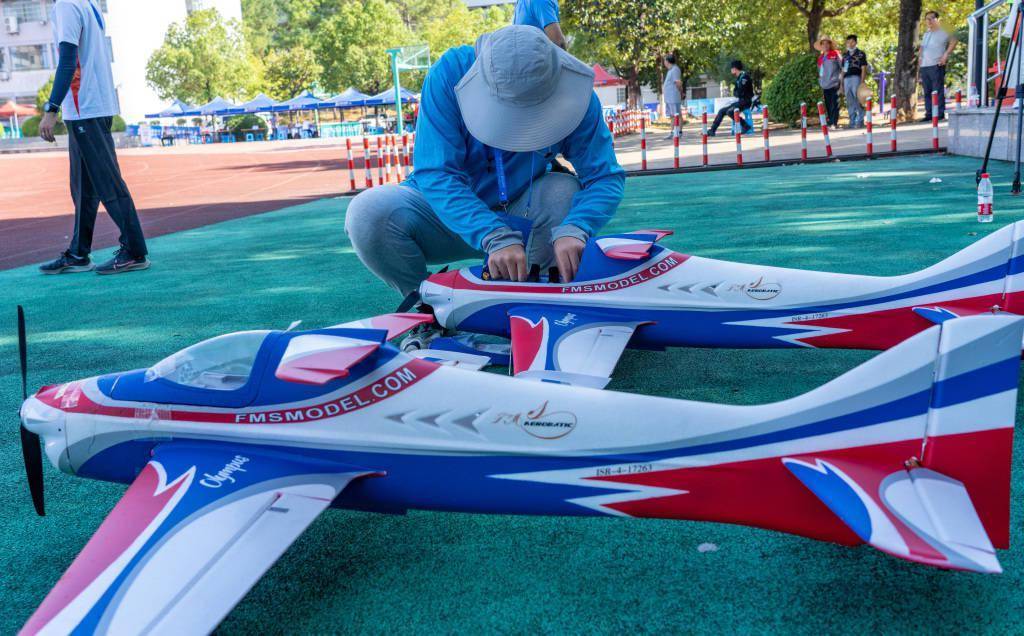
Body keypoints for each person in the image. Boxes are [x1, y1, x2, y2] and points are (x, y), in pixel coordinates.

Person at [344, 25, 624, 298]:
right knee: (368, 213)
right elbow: (437, 175)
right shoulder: (449, 74)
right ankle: (426, 309)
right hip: (443, 216)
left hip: (525, 212)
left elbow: (605, 176)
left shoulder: (578, 92)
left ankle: (537, 299)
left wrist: (577, 227)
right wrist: (492, 233)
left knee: (563, 192)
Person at [38, 0, 149, 275]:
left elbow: (68, 61)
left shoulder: (67, 5)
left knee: (108, 184)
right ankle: (78, 253)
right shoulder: (88, 3)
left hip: (85, 107)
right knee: (83, 189)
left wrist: (51, 108)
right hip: (89, 108)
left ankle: (135, 251)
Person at [919, 10, 957, 121]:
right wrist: (919, 60)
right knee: (927, 92)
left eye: (932, 18)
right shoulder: (926, 33)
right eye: (927, 19)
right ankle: (929, 114)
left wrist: (946, 54)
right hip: (925, 66)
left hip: (936, 64)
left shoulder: (943, 31)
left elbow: (954, 40)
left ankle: (939, 113)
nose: (929, 21)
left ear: (937, 19)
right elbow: (921, 48)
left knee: (937, 90)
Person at [708, 60, 753, 136]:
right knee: (722, 111)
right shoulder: (739, 78)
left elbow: (741, 92)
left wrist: (738, 92)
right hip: (741, 101)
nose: (731, 70)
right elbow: (736, 92)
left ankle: (745, 126)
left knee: (730, 111)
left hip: (746, 101)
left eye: (731, 68)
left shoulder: (744, 77)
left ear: (735, 69)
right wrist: (738, 92)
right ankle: (712, 130)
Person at [841, 34, 868, 128]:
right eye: (848, 42)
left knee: (858, 99)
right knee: (849, 101)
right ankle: (852, 122)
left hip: (856, 78)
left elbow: (864, 68)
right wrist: (841, 84)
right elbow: (843, 70)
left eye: (852, 41)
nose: (850, 43)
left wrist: (862, 82)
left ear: (855, 42)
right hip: (846, 79)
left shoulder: (861, 53)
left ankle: (860, 121)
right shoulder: (845, 55)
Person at [816, 36, 842, 128]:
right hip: (825, 84)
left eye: (827, 43)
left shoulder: (835, 53)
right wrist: (821, 81)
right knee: (828, 104)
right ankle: (830, 121)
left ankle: (834, 122)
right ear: (821, 45)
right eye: (823, 43)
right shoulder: (821, 58)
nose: (825, 45)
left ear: (830, 45)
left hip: (835, 83)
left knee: (835, 103)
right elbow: (820, 72)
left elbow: (842, 67)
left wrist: (841, 81)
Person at [662, 53, 683, 137]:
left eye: (664, 60)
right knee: (672, 115)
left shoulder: (675, 69)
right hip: (670, 97)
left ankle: (678, 132)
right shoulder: (670, 70)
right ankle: (672, 132)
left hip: (674, 97)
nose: (664, 62)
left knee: (676, 115)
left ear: (667, 61)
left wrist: (681, 92)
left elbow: (678, 82)